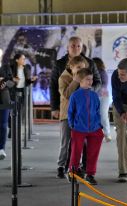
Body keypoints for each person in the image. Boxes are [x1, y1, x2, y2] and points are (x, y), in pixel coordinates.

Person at [51, 36, 101, 178]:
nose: (76, 48)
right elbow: (55, 87)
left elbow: (98, 81)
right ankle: (62, 166)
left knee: (83, 142)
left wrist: (90, 89)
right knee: (66, 141)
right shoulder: (60, 65)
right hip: (67, 111)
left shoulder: (90, 63)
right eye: (73, 46)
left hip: (85, 112)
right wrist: (54, 107)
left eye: (78, 46)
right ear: (68, 47)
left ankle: (82, 167)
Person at [68, 68, 104, 185]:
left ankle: (90, 174)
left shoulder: (94, 95)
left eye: (91, 79)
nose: (90, 82)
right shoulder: (75, 96)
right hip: (78, 128)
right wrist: (72, 124)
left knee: (93, 152)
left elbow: (97, 111)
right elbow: (71, 112)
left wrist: (99, 124)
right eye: (87, 79)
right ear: (80, 80)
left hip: (95, 128)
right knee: (76, 151)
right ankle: (73, 173)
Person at [57, 56, 89, 179]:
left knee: (80, 142)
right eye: (78, 68)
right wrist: (75, 81)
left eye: (83, 68)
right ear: (71, 67)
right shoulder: (63, 78)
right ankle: (61, 166)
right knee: (65, 142)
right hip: (66, 115)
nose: (81, 70)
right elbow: (66, 94)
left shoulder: (84, 79)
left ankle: (77, 166)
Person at [0, 48, 15, 160]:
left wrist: (4, 83)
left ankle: (1, 149)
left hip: (4, 98)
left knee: (3, 125)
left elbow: (12, 83)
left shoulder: (6, 67)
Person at [92, 57, 111, 142]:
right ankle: (95, 134)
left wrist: (94, 88)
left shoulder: (103, 73)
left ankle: (107, 134)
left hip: (103, 97)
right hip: (93, 97)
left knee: (103, 115)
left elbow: (104, 85)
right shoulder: (90, 73)